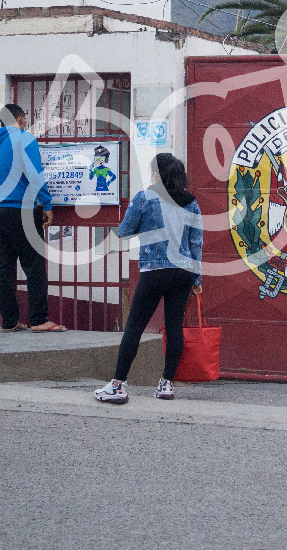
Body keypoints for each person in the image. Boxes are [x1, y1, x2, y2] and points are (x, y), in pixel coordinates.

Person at [95, 153, 202, 403]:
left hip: (155, 270)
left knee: (134, 327)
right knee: (174, 327)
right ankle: (166, 385)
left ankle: (118, 385)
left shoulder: (145, 198)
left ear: (157, 174)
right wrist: (196, 280)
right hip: (183, 271)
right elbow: (196, 243)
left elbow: (124, 231)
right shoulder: (191, 203)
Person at [0, 103, 66, 333]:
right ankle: (38, 319)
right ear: (20, 118)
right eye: (24, 119)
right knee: (34, 264)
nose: (26, 123)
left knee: (5, 266)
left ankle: (9, 321)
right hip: (20, 210)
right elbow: (35, 175)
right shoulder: (24, 139)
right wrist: (46, 204)